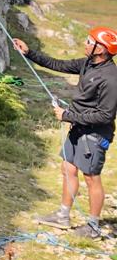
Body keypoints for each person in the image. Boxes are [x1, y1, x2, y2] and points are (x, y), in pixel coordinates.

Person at [14, 26, 117, 238]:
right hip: (78, 128)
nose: (86, 43)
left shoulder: (110, 78)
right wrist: (29, 52)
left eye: (90, 41)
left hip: (95, 135)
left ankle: (93, 226)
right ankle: (63, 215)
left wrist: (67, 116)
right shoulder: (88, 64)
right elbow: (58, 64)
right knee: (68, 169)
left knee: (91, 177)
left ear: (102, 49)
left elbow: (106, 116)